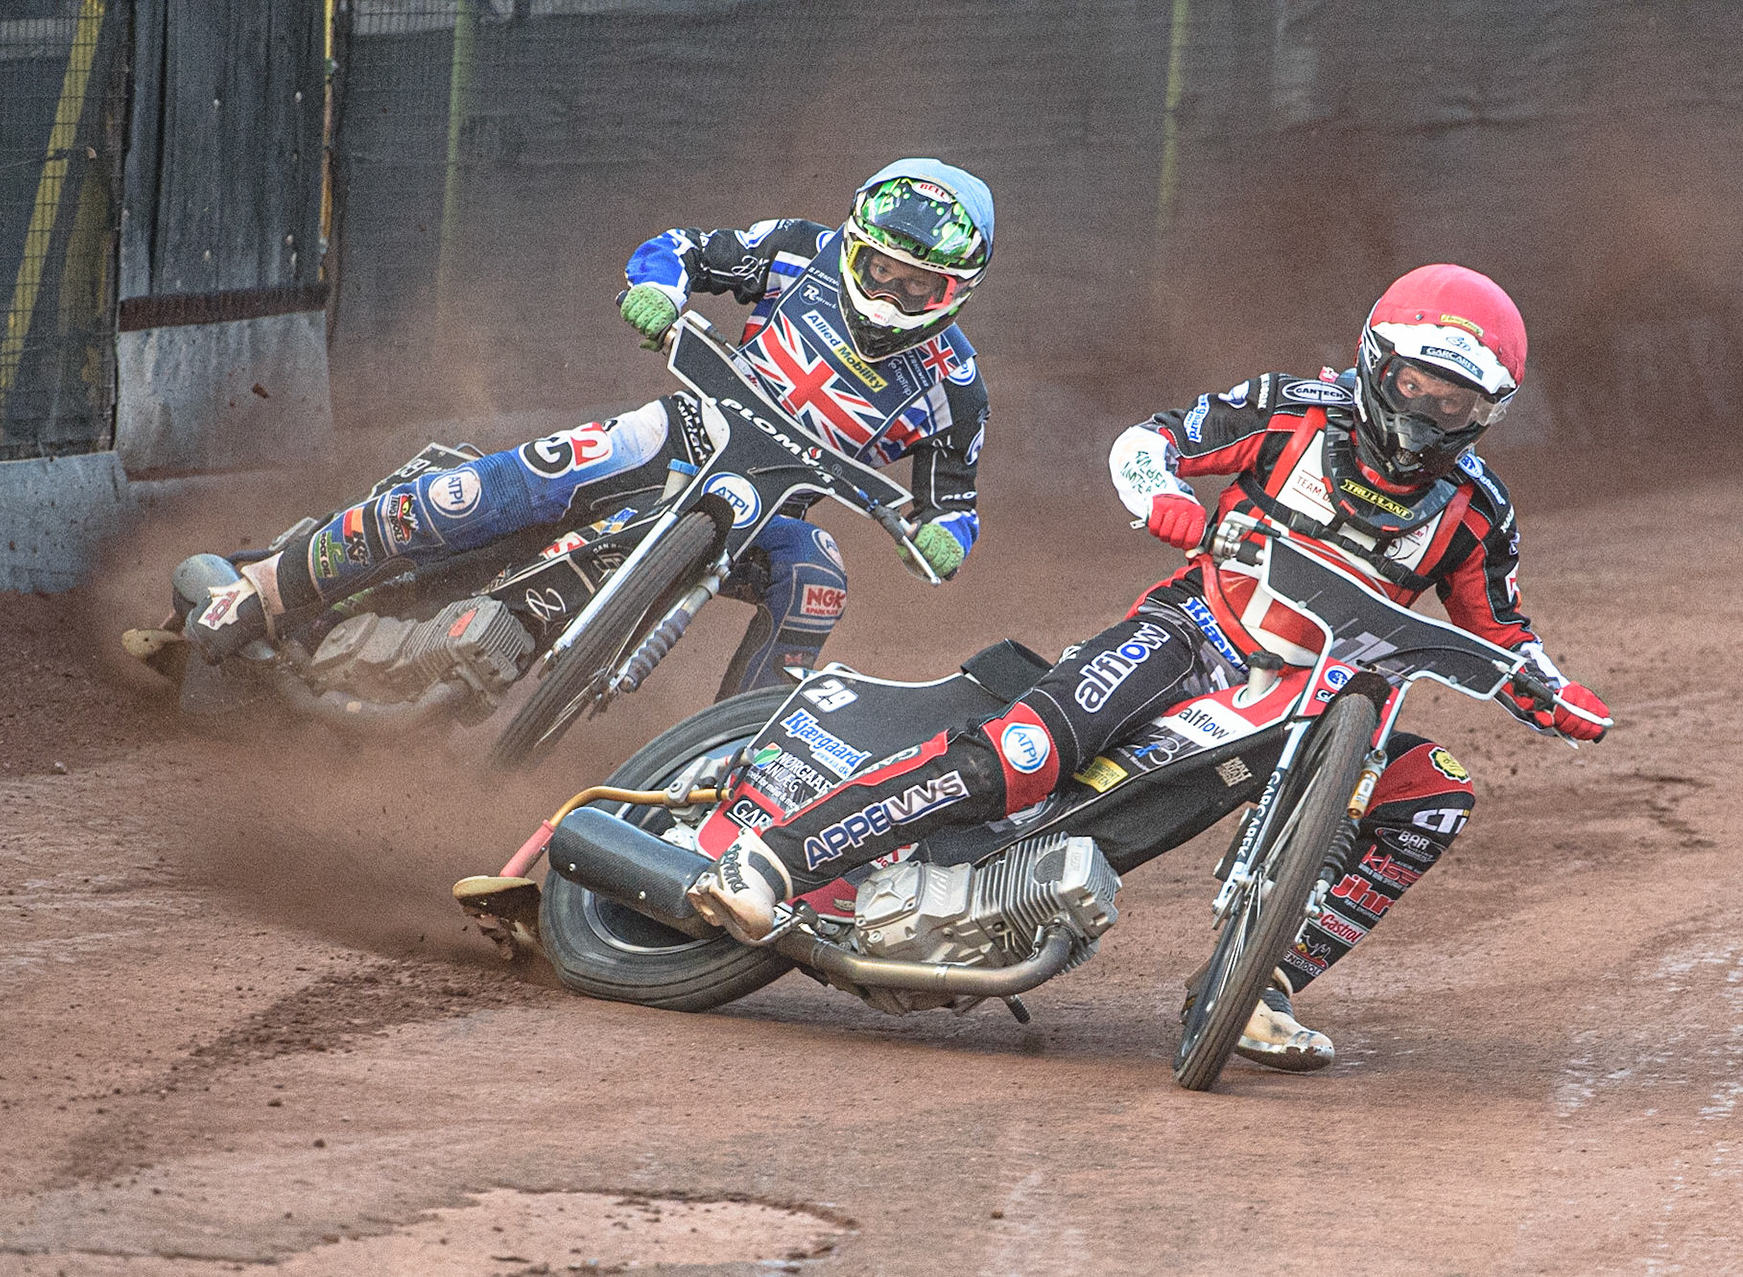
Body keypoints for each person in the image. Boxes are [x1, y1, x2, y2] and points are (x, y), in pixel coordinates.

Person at [689, 263, 1612, 1073]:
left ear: (1484, 414)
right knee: (1024, 754)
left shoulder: (1477, 512)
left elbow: (1502, 631)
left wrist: (1552, 690)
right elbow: (1149, 441)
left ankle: (1262, 982)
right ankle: (773, 859)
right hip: (1195, 634)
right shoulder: (1293, 408)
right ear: (1377, 362)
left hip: (1322, 700)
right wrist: (1163, 494)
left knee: (1435, 791)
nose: (1423, 415)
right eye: (1415, 384)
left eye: (1453, 403)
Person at [178, 159, 995, 702]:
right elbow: (680, 250)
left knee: (821, 574)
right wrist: (658, 291)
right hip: (681, 433)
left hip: (768, 516)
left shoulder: (954, 386)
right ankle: (264, 590)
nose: (889, 293)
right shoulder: (800, 250)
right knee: (481, 493)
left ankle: (734, 776)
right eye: (880, 268)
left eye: (916, 286)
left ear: (953, 293)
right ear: (855, 246)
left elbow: (952, 502)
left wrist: (945, 536)